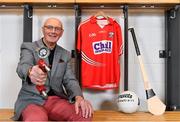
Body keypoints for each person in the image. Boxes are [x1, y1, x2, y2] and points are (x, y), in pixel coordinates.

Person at [13, 17, 93, 121]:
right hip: (31, 101)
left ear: (61, 32)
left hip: (55, 101)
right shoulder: (29, 47)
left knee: (84, 114)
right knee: (36, 119)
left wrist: (79, 97)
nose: (53, 31)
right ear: (43, 30)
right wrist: (30, 71)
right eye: (49, 27)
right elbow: (22, 66)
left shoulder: (65, 54)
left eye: (57, 29)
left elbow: (70, 80)